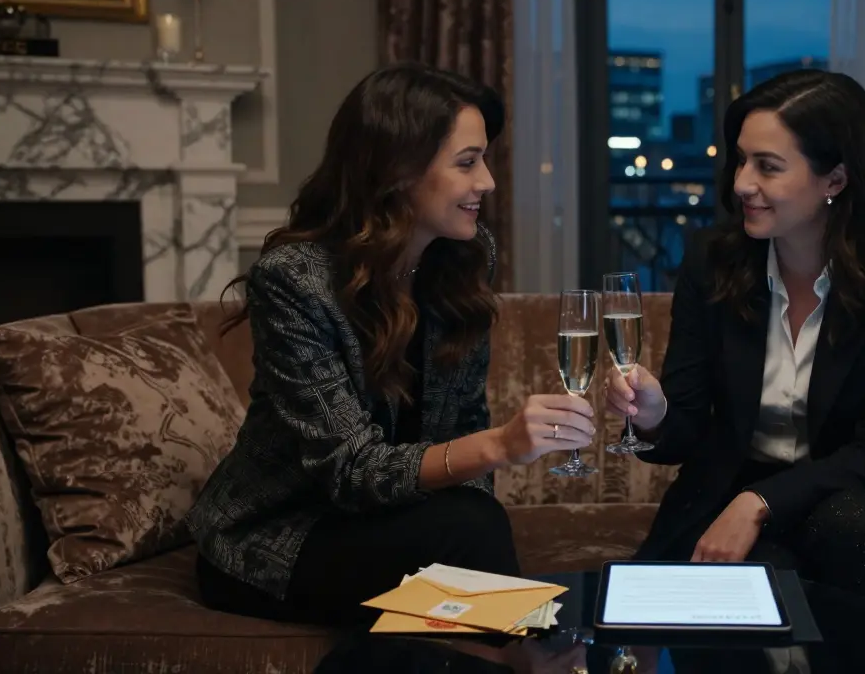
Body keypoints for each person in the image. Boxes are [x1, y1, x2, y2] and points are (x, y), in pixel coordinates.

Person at [188, 63, 595, 627]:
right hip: (282, 534)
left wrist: (475, 491)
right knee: (468, 533)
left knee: (472, 525)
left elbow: (462, 423)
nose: (488, 182)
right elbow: (350, 469)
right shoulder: (294, 280)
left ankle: (512, 645)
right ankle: (524, 647)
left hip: (394, 519)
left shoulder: (464, 258)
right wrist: (500, 445)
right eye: (467, 162)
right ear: (398, 169)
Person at [604, 69, 865, 673]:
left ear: (836, 179)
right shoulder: (712, 262)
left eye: (768, 166)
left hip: (850, 493)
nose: (742, 183)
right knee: (751, 575)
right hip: (726, 486)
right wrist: (656, 415)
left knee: (852, 526)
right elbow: (686, 425)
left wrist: (758, 502)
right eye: (741, 161)